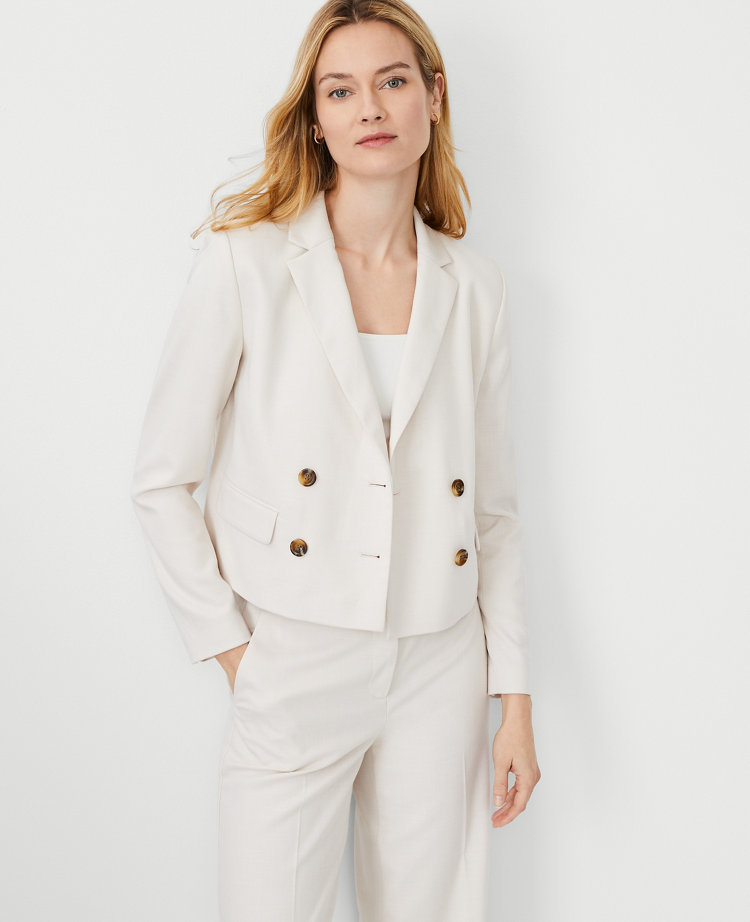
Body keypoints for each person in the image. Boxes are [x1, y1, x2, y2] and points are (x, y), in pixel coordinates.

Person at [130, 1, 541, 919]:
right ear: (315, 120)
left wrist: (513, 697)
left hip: (439, 657)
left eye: (393, 81)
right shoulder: (248, 264)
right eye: (341, 91)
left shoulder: (475, 287)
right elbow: (161, 480)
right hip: (295, 650)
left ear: (434, 95)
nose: (371, 108)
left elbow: (495, 514)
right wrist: (239, 656)